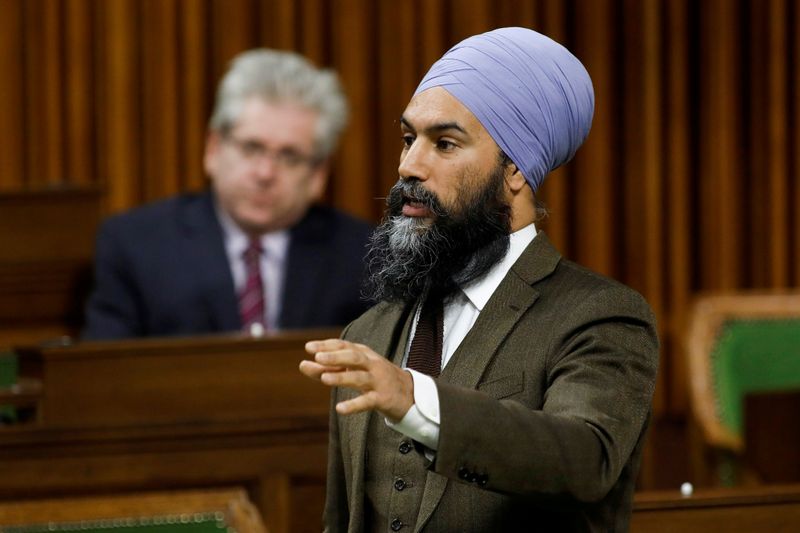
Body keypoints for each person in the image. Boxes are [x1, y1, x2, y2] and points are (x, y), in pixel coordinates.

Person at [299, 27, 659, 532]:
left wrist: (414, 400)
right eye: (408, 139)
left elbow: (586, 459)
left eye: (444, 143)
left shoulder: (599, 315)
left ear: (515, 168)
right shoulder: (368, 335)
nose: (409, 166)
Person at [83, 49, 372, 340]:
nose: (265, 173)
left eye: (289, 156)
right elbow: (107, 373)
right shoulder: (136, 244)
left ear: (318, 174)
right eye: (251, 148)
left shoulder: (364, 256)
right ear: (213, 149)